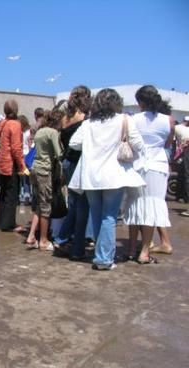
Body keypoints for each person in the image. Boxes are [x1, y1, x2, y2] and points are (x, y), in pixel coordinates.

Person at [67, 88, 146, 270]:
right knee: (109, 216)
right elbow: (138, 144)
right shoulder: (124, 120)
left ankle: (100, 255)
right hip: (114, 175)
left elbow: (73, 143)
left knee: (96, 215)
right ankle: (104, 258)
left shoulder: (88, 124)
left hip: (91, 176)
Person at [124, 85, 175, 263]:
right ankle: (144, 251)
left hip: (137, 164)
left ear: (141, 102)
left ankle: (131, 248)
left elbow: (128, 141)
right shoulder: (168, 120)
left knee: (134, 205)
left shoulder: (132, 119)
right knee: (152, 208)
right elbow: (168, 144)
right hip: (158, 165)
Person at [54, 85, 93, 260]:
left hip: (68, 161)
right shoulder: (86, 118)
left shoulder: (64, 118)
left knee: (74, 202)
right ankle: (75, 243)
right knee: (82, 205)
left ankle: (64, 239)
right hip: (79, 162)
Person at [25, 110, 64, 251]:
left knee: (38, 205)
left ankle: (31, 236)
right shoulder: (53, 133)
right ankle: (43, 240)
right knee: (46, 205)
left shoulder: (40, 132)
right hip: (44, 171)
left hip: (34, 169)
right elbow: (59, 154)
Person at [0, 100, 28, 231]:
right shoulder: (15, 125)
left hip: (2, 164)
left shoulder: (2, 123)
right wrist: (22, 166)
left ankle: (1, 221)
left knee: (4, 193)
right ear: (16, 110)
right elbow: (16, 149)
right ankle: (9, 224)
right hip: (11, 163)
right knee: (12, 194)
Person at [175, 116, 189, 216]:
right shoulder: (179, 128)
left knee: (186, 177)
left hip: (185, 153)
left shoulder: (178, 127)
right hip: (184, 153)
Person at [19, 115, 32, 204]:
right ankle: (26, 194)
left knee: (25, 176)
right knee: (25, 176)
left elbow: (29, 145)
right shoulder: (26, 132)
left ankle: (25, 194)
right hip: (25, 156)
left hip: (24, 156)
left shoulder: (25, 132)